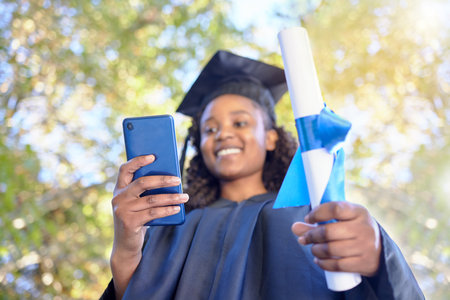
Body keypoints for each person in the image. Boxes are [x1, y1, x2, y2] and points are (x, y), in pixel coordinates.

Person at [101, 51, 423, 299]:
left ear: (271, 137)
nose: (222, 134)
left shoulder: (313, 215)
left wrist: (380, 258)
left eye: (240, 123)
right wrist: (126, 249)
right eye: (209, 129)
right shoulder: (175, 228)